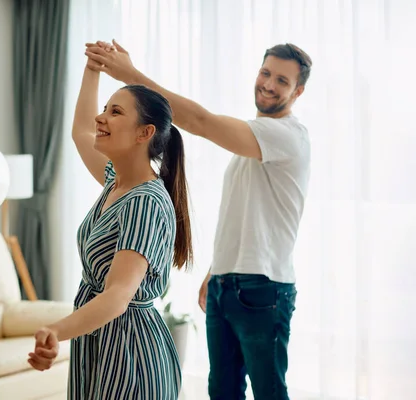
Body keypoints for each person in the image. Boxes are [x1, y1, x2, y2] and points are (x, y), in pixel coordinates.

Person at [85, 40, 312, 400]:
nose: (268, 84)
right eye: (265, 72)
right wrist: (216, 270)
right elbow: (245, 216)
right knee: (222, 391)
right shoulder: (255, 141)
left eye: (282, 80)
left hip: (263, 289)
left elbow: (200, 122)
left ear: (298, 91)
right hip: (227, 283)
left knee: (269, 391)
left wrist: (131, 77)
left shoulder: (286, 137)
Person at [27, 45, 193, 400]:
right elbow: (80, 131)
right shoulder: (114, 181)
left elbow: (119, 295)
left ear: (144, 133)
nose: (102, 117)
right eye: (105, 109)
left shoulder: (145, 202)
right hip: (101, 343)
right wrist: (93, 68)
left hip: (132, 352)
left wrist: (57, 329)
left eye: (115, 112)